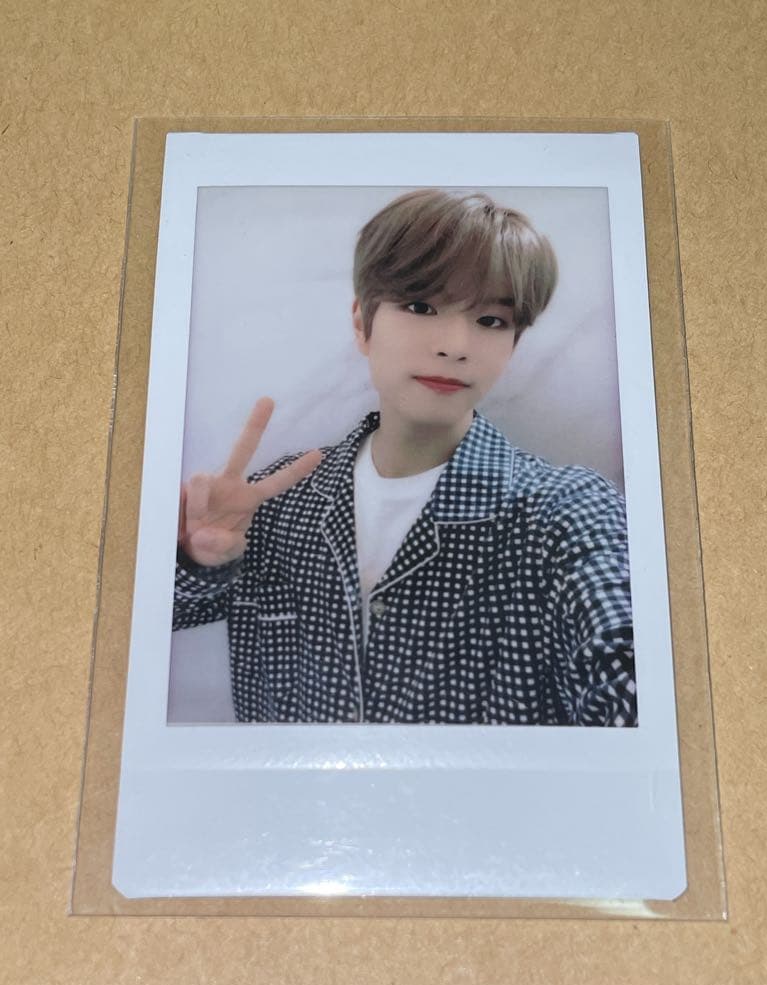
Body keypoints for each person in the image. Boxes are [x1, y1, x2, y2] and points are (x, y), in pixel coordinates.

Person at [173, 189, 636, 726]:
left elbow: (626, 665)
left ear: (514, 343)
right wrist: (195, 558)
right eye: (421, 307)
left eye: (491, 321)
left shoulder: (565, 512)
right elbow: (151, 625)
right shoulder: (277, 497)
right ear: (361, 323)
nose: (455, 345)